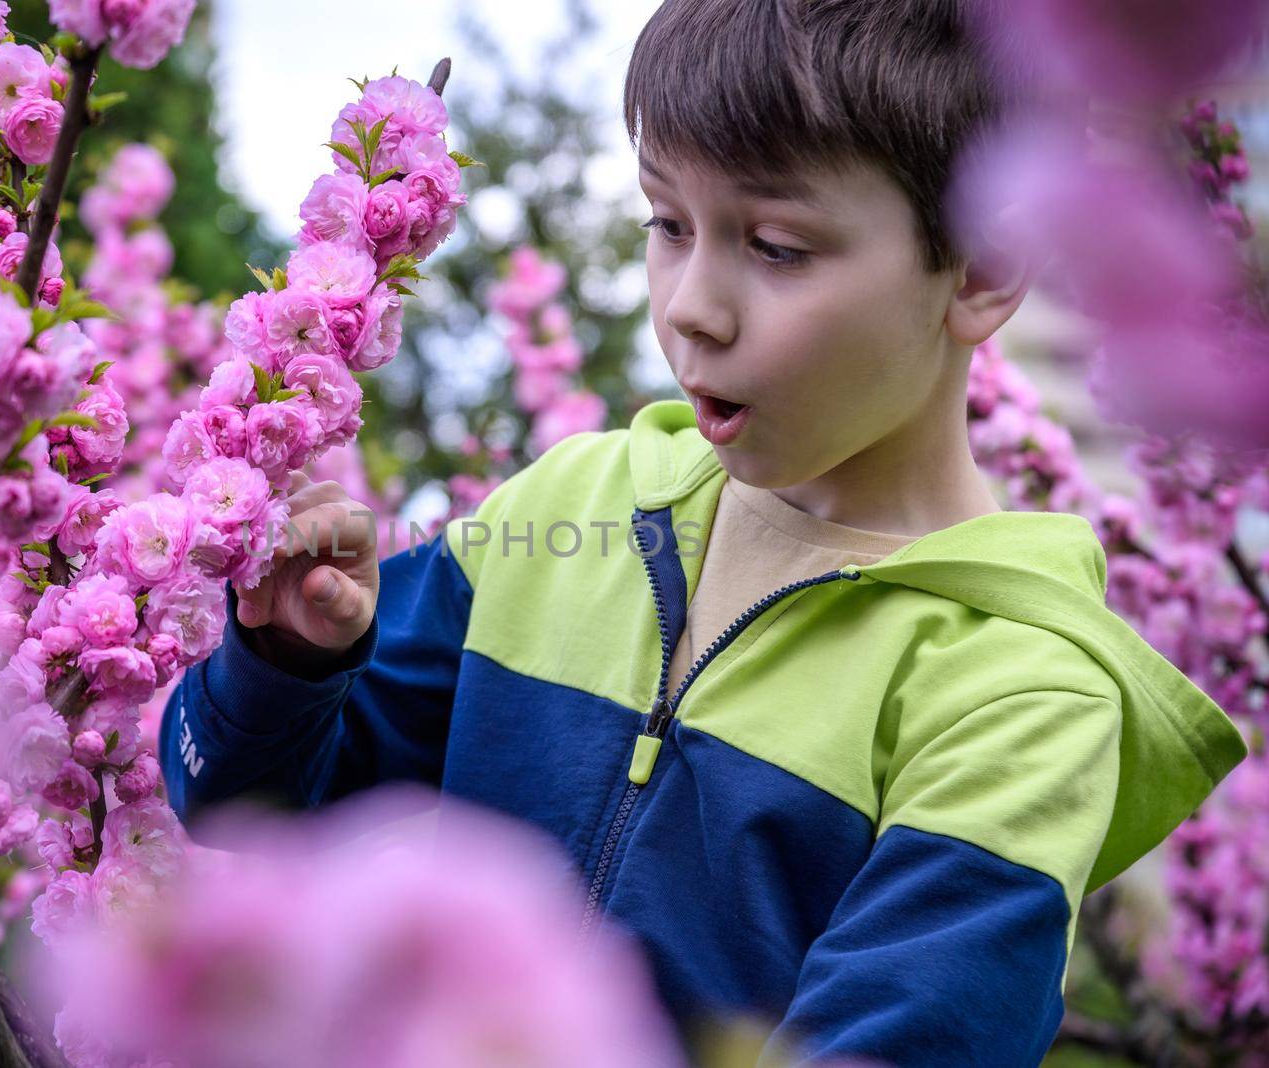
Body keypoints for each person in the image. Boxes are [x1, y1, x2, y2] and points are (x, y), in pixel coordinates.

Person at [160, 1, 1247, 1062]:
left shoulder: (1018, 697)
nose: (690, 305)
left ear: (980, 270)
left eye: (774, 246)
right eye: (666, 223)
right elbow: (240, 804)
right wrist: (290, 661)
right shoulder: (567, 509)